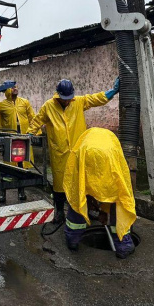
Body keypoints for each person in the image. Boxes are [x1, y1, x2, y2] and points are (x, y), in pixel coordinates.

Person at [27, 77, 119, 223]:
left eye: (69, 98)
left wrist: (112, 92)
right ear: (58, 95)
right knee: (59, 186)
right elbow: (37, 121)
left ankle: (86, 211)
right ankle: (59, 212)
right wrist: (30, 134)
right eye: (64, 98)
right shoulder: (48, 106)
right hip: (59, 153)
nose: (67, 101)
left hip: (78, 152)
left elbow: (95, 99)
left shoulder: (78, 102)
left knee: (82, 182)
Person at [62, 127, 136, 259]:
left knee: (79, 195)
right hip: (108, 157)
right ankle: (123, 246)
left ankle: (73, 240)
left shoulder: (84, 138)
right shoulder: (112, 140)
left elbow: (91, 189)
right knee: (117, 199)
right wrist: (103, 211)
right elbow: (105, 191)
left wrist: (100, 210)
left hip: (85, 155)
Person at [0, 84, 37, 202]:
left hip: (23, 139)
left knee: (22, 167)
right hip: (10, 140)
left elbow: (33, 117)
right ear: (7, 91)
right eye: (12, 87)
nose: (15, 88)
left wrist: (36, 132)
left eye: (16, 86)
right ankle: (2, 193)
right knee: (8, 169)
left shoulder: (24, 102)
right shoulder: (2, 105)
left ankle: (21, 191)